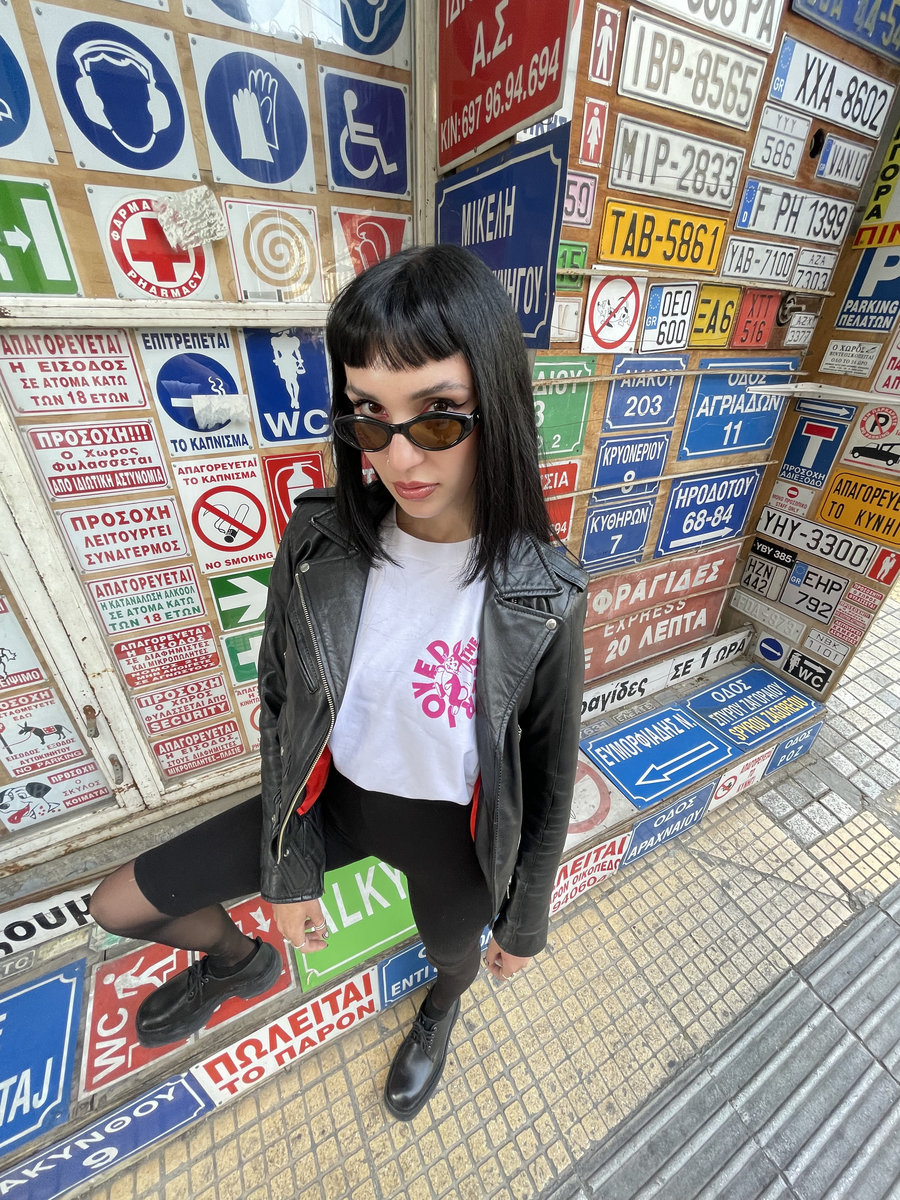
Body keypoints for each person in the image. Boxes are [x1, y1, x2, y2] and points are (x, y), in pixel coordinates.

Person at [89, 244, 587, 1120]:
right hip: (330, 803)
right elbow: (281, 704)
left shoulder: (544, 594)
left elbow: (546, 781)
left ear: (499, 407)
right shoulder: (321, 542)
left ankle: (439, 1012)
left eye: (438, 417)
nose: (401, 458)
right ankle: (238, 962)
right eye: (369, 416)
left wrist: (525, 921)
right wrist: (288, 876)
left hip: (450, 837)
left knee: (454, 956)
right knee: (117, 903)